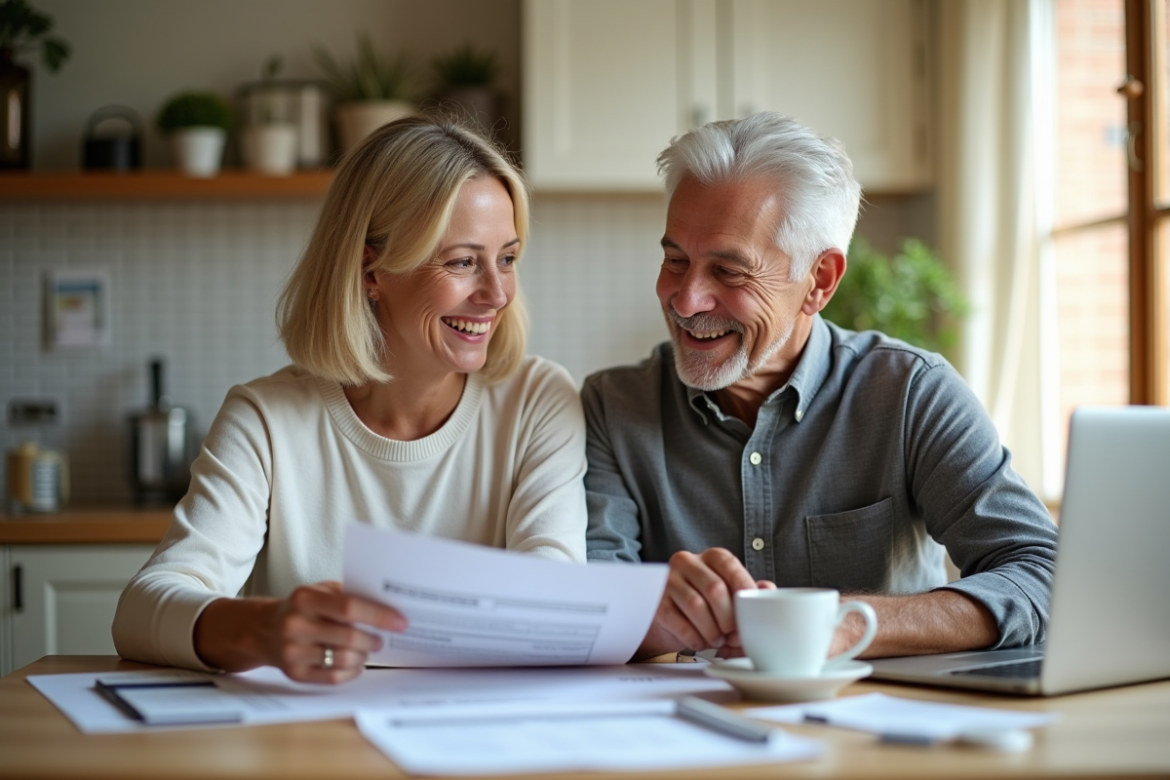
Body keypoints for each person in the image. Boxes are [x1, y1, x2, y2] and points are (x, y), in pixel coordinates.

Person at [113, 117, 588, 683]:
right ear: (371, 270)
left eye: (507, 258)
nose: (497, 293)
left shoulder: (538, 401)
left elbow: (556, 597)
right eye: (463, 262)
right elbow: (142, 610)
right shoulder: (266, 419)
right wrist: (263, 628)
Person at [584, 112, 1058, 662]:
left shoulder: (909, 392)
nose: (687, 301)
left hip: (885, 731)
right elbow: (585, 606)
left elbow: (1041, 574)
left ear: (820, 281)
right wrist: (658, 614)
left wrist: (843, 626)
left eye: (730, 272)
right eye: (675, 261)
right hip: (693, 730)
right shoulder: (611, 407)